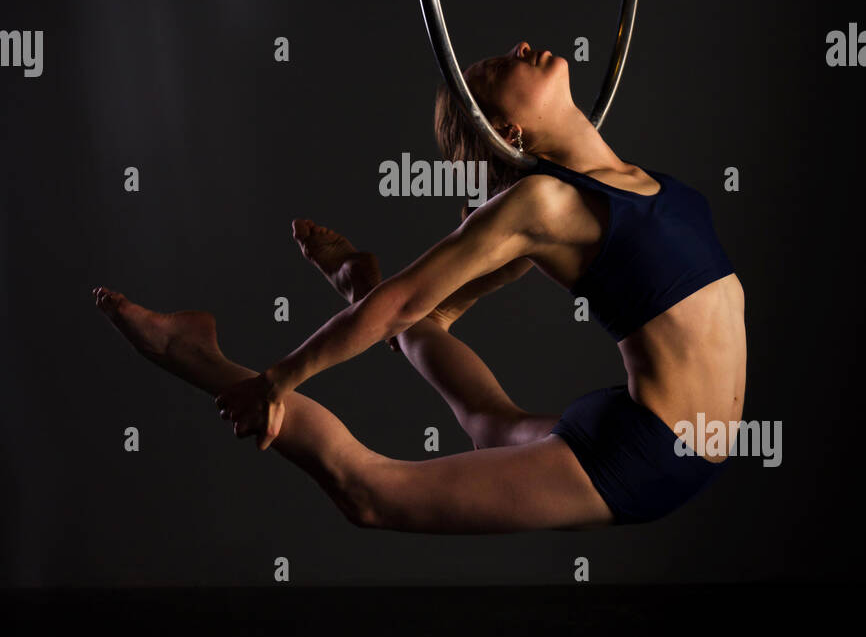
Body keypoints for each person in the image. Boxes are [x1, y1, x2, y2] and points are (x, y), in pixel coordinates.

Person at [94, 42, 745, 533]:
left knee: (491, 424)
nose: (520, 48)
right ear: (508, 132)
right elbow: (406, 302)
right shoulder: (542, 203)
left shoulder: (620, 182)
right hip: (649, 452)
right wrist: (276, 380)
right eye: (497, 70)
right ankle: (197, 356)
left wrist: (435, 305)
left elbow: (455, 298)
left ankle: (354, 282)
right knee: (370, 492)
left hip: (669, 437)